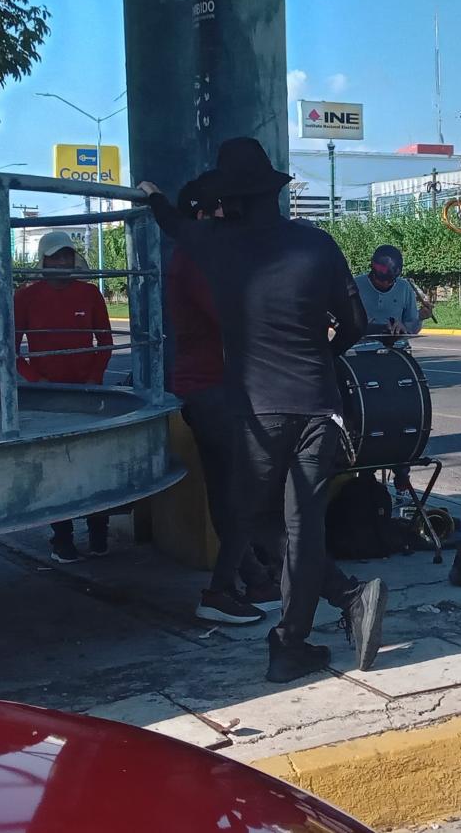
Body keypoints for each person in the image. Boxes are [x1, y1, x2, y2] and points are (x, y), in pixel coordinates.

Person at [140, 137, 388, 683]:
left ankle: (329, 611)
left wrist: (154, 196)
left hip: (256, 412)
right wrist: (321, 353)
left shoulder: (215, 246)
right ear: (273, 192)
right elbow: (355, 325)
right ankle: (290, 643)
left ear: (229, 200)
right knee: (304, 527)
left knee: (253, 517)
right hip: (319, 408)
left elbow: (172, 224)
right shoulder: (317, 244)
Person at [154, 174, 283, 625]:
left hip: (208, 385)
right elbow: (232, 313)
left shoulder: (196, 256)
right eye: (223, 211)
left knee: (229, 490)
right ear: (205, 216)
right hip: (212, 388)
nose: (231, 218)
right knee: (242, 490)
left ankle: (252, 577)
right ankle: (220, 590)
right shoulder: (196, 260)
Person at [13, 231, 115, 563]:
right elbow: (11, 352)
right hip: (49, 398)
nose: (62, 262)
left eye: (67, 256)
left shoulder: (91, 294)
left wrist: (93, 378)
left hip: (88, 393)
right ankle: (62, 537)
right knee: (58, 466)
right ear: (43, 261)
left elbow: (106, 342)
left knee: (95, 463)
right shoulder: (25, 298)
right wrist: (37, 380)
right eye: (56, 257)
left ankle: (100, 530)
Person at [353, 244, 426, 504]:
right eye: (377, 277)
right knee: (367, 419)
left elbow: (413, 325)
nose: (382, 283)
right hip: (362, 357)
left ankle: (402, 478)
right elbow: (344, 321)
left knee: (402, 415)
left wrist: (405, 326)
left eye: (387, 280)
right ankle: (365, 481)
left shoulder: (404, 288)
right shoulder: (356, 285)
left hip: (396, 356)